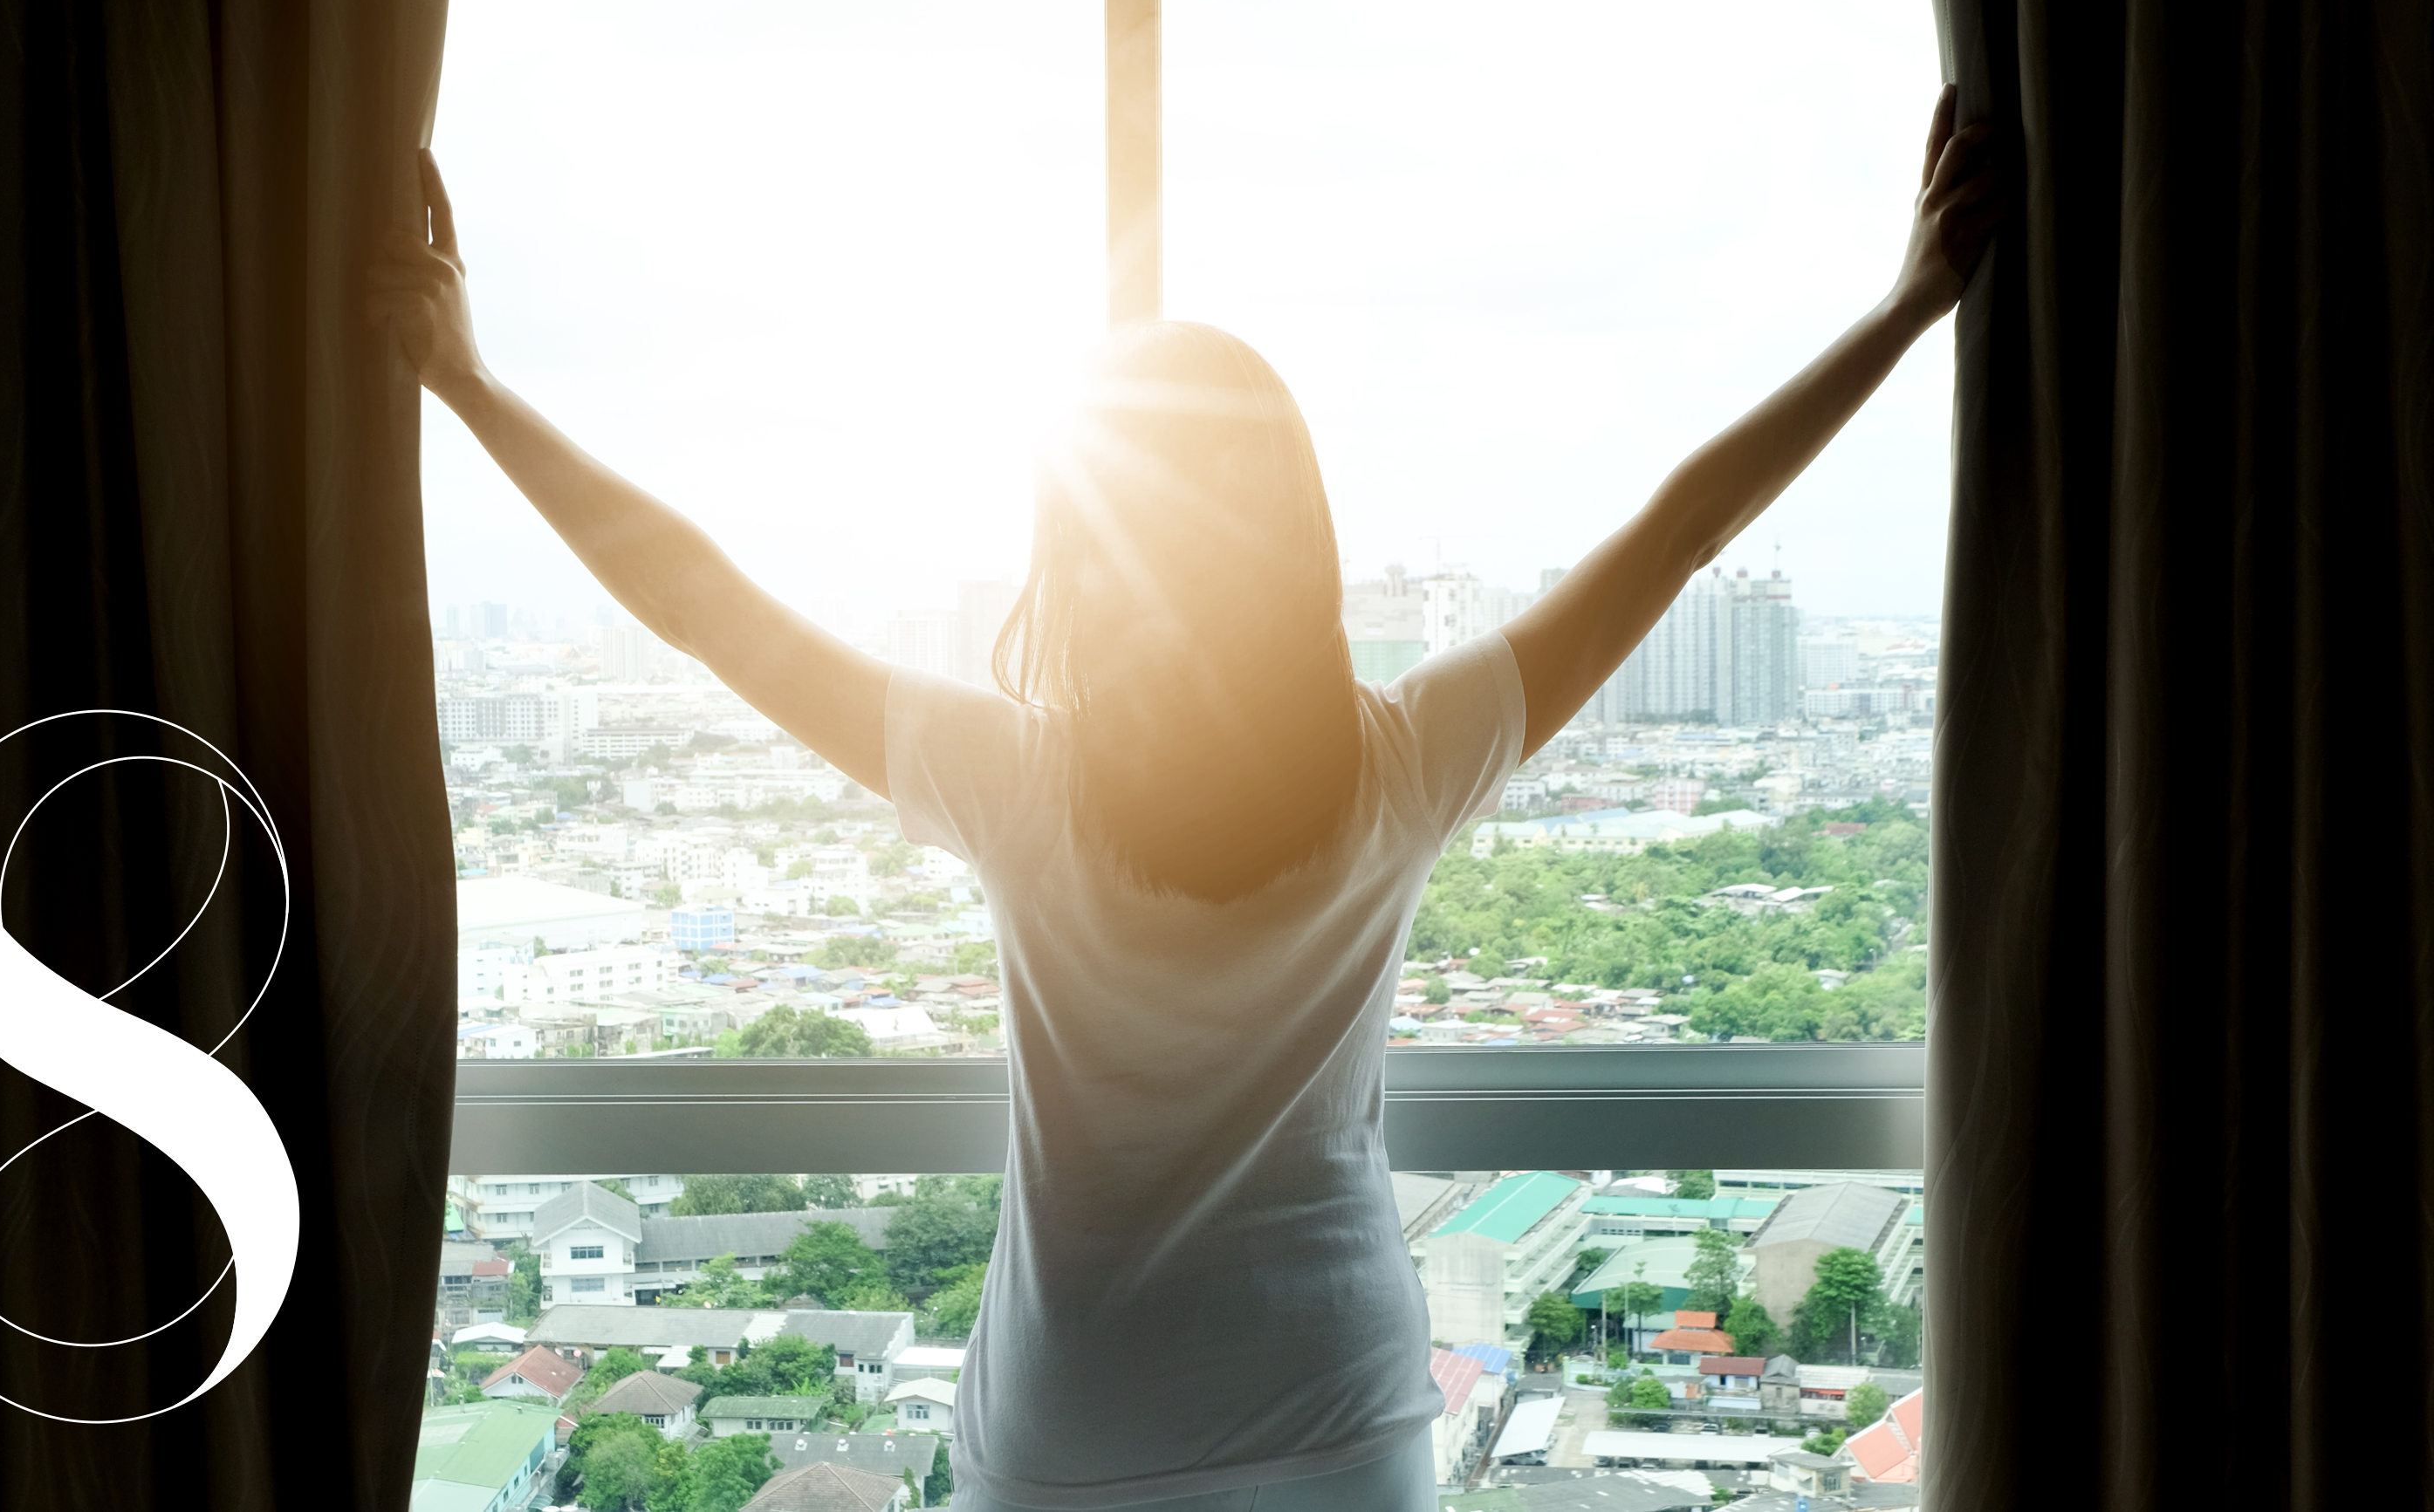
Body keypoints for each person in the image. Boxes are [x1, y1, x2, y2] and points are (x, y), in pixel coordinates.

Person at [368, 86, 2000, 1511]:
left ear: (1082, 553)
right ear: (1301, 535)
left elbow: (698, 601)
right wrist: (1911, 299)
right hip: (1344, 1412)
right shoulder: (1403, 755)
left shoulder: (1017, 779)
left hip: (1077, 1423)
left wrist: (467, 378)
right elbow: (1678, 535)